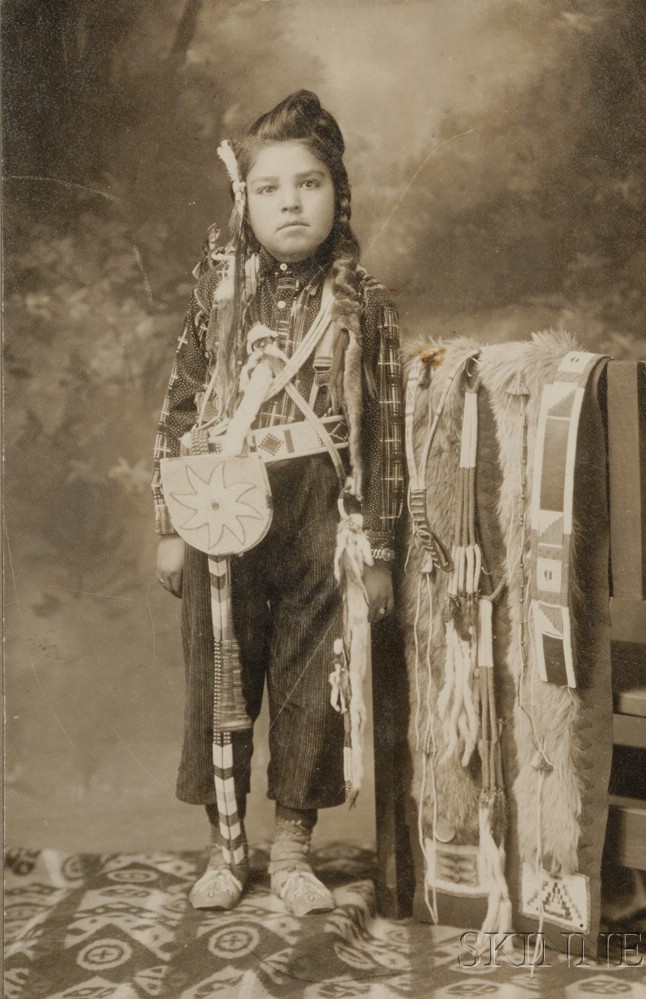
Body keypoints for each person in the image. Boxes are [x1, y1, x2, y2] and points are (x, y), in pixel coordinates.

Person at [151, 91, 403, 915]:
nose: (291, 202)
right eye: (269, 188)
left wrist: (382, 551)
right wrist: (170, 527)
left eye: (310, 184)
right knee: (223, 675)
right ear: (244, 202)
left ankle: (293, 845)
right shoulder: (218, 297)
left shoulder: (362, 306)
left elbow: (385, 439)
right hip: (223, 511)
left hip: (324, 518)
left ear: (339, 197)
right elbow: (179, 407)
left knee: (311, 677)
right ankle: (228, 844)